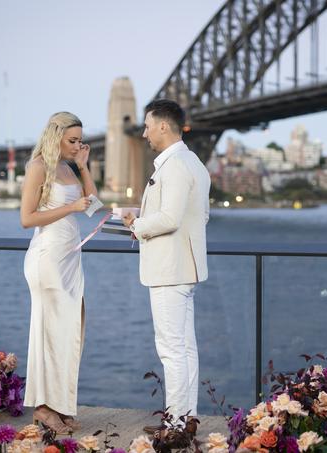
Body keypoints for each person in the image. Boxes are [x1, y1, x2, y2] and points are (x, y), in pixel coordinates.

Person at [122, 99, 210, 439]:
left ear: (162, 126)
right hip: (185, 268)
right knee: (185, 347)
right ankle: (186, 418)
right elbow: (199, 217)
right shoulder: (195, 163)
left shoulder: (173, 166)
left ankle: (174, 426)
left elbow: (171, 219)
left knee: (171, 349)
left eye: (147, 126)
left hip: (169, 270)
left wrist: (136, 224)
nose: (143, 133)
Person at [21, 111, 97, 434]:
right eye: (72, 140)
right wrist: (70, 208)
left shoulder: (69, 167)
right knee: (47, 332)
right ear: (55, 136)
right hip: (47, 259)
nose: (77, 144)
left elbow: (92, 204)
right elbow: (27, 218)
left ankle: (59, 405)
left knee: (69, 334)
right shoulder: (38, 166)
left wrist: (83, 165)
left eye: (80, 139)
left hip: (69, 259)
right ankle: (41, 407)